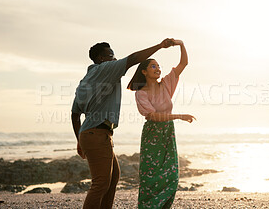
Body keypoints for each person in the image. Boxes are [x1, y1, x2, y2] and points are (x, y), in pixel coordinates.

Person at [71, 38, 175, 209]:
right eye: (110, 55)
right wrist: (159, 46)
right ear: (100, 59)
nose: (114, 59)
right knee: (101, 183)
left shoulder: (86, 79)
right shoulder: (105, 69)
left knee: (112, 178)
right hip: (97, 133)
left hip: (93, 134)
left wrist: (79, 140)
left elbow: (75, 114)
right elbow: (133, 59)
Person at [127, 39, 195, 208]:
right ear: (143, 72)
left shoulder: (166, 84)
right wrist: (178, 116)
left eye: (158, 66)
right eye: (153, 66)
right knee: (151, 178)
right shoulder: (140, 94)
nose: (158, 69)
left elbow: (184, 63)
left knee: (172, 176)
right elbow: (153, 116)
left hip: (167, 133)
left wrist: (181, 44)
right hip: (152, 135)